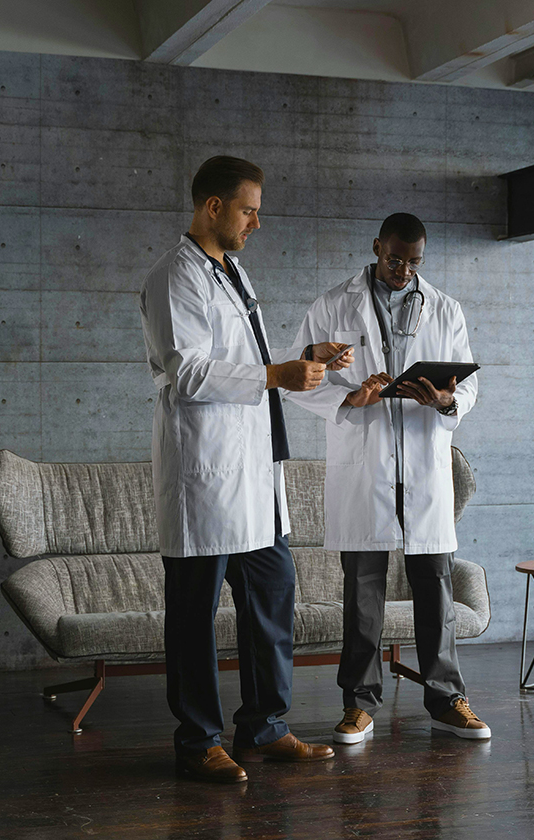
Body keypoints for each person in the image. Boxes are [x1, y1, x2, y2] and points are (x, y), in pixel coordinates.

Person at [139, 156, 353, 783]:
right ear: (213, 207)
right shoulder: (175, 277)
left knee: (272, 592)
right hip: (204, 476)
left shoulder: (230, 270)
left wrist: (301, 359)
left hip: (253, 474)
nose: (257, 221)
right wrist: (272, 375)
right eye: (248, 208)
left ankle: (264, 725)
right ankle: (197, 739)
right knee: (194, 616)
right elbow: (189, 371)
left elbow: (244, 359)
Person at [287, 212, 490, 743]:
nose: (403, 270)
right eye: (395, 258)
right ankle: (358, 704)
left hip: (424, 463)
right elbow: (295, 379)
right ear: (377, 246)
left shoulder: (446, 309)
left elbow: (468, 387)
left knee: (436, 586)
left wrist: (447, 399)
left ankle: (447, 699)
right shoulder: (333, 305)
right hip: (367, 463)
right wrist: (349, 396)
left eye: (414, 261)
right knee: (363, 591)